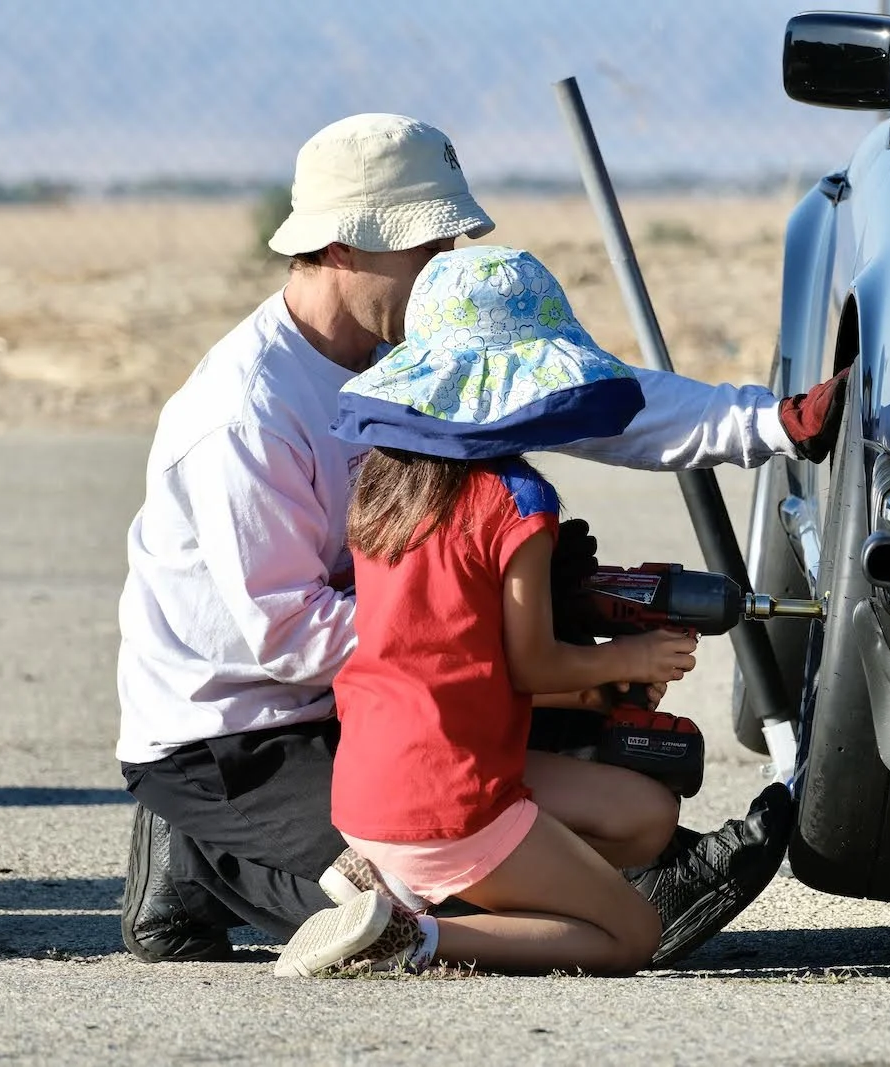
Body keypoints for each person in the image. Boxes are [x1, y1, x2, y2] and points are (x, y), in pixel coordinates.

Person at [116, 113, 850, 968]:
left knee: (625, 785)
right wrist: (490, 637)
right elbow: (285, 635)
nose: (449, 266)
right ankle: (196, 861)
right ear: (343, 246)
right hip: (241, 735)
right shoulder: (246, 413)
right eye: (427, 247)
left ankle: (599, 885)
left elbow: (583, 394)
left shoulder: (414, 352)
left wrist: (769, 423)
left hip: (383, 693)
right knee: (400, 886)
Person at [278, 245, 711, 977]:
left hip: (372, 781)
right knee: (634, 932)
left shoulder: (384, 480)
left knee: (645, 815)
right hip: (451, 797)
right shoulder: (519, 502)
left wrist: (596, 684)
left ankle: (387, 876)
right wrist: (630, 660)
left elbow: (455, 653)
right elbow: (530, 662)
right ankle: (412, 935)